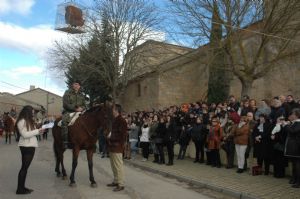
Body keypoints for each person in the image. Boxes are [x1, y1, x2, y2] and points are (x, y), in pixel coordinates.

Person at [15, 105, 44, 194]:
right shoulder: (21, 121)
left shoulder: (28, 121)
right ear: (27, 111)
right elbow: (25, 135)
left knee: (25, 168)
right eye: (32, 111)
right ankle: (19, 189)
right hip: (26, 146)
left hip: (30, 145)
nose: (33, 113)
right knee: (24, 168)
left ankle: (22, 187)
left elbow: (31, 133)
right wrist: (37, 131)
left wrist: (39, 131)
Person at [107, 104, 127, 192]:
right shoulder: (114, 120)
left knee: (118, 165)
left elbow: (122, 135)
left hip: (117, 146)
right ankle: (116, 181)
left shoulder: (122, 120)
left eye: (113, 109)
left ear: (116, 110)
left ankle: (121, 184)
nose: (112, 111)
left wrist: (111, 137)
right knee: (113, 165)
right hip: (112, 145)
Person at [61, 80, 86, 149]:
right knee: (64, 122)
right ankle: (65, 141)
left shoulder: (81, 95)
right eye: (75, 84)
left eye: (78, 84)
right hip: (68, 111)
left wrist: (82, 108)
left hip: (80, 112)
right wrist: (75, 109)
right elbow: (65, 104)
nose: (76, 86)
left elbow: (84, 105)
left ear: (79, 86)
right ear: (73, 85)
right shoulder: (67, 92)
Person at [284, 108, 300, 188]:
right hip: (293, 147)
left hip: (297, 147)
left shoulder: (298, 123)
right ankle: (294, 178)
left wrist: (286, 125)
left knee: (297, 165)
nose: (291, 115)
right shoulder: (293, 123)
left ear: (297, 115)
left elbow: (293, 131)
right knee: (294, 164)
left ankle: (298, 181)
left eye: (293, 114)